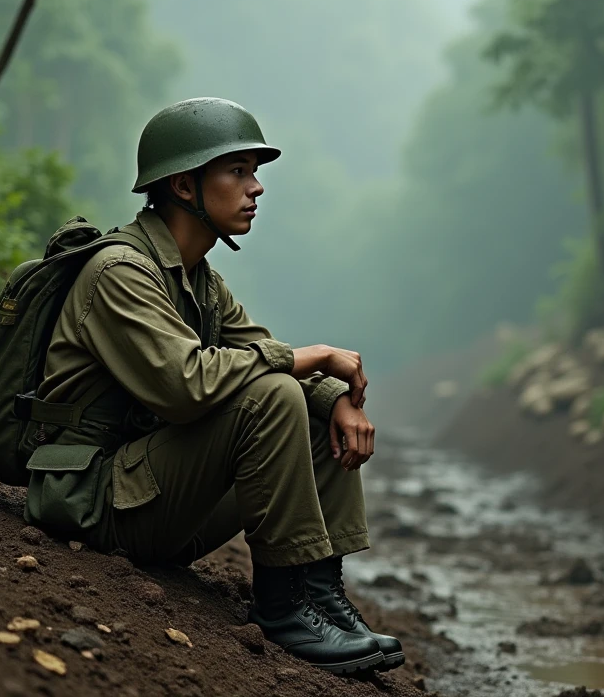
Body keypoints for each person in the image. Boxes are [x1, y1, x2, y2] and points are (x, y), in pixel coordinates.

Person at [27, 97, 402, 674]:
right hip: (95, 504)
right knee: (273, 396)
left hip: (154, 499)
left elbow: (263, 356)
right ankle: (282, 611)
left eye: (255, 173)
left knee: (307, 405)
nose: (256, 188)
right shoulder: (121, 272)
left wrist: (336, 401)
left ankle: (321, 598)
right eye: (238, 171)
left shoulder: (199, 278)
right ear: (183, 185)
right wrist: (318, 357)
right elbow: (185, 387)